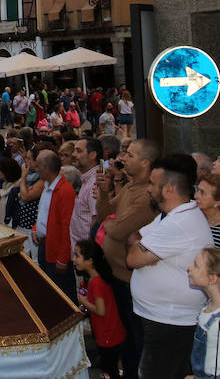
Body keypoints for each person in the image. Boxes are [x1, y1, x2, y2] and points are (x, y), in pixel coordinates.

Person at [128, 157, 213, 379]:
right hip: (162, 320)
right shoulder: (173, 215)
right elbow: (135, 238)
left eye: (152, 184)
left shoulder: (179, 222)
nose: (148, 189)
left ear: (169, 189)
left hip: (170, 324)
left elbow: (133, 258)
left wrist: (144, 250)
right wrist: (147, 250)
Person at [97, 138, 160, 379]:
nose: (124, 159)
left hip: (132, 281)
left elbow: (117, 229)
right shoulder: (130, 188)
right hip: (118, 276)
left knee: (136, 338)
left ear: (145, 162)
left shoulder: (145, 195)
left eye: (130, 155)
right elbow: (105, 215)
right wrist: (104, 194)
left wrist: (114, 223)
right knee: (126, 337)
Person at [74, 239, 126, 379]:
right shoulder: (98, 279)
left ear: (90, 261)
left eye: (77, 255)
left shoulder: (96, 282)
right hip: (110, 332)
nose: (74, 259)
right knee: (111, 366)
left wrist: (84, 301)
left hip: (107, 334)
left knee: (109, 369)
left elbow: (101, 310)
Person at [32, 150, 76, 300]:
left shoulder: (64, 191)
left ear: (46, 168)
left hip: (56, 252)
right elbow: (43, 213)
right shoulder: (47, 186)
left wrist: (63, 258)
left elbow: (67, 226)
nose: (35, 169)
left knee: (62, 295)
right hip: (45, 246)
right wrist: (35, 228)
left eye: (38, 166)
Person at [186, 247, 220, 379]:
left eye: (196, 265)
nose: (189, 268)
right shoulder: (209, 305)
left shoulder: (217, 322)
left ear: (212, 279)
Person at [70, 138, 101, 253]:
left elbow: (96, 220)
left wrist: (86, 253)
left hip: (87, 255)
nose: (74, 154)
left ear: (92, 155)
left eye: (79, 151)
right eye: (74, 150)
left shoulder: (95, 182)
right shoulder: (87, 179)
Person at [195, 174, 220, 247]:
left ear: (218, 202)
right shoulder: (193, 215)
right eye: (197, 190)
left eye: (202, 192)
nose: (195, 196)